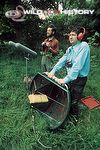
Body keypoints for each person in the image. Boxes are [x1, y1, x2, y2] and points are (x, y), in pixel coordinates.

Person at [47, 27, 90, 117]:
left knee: (74, 101)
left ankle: (75, 119)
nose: (70, 37)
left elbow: (77, 66)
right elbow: (62, 60)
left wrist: (65, 79)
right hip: (70, 77)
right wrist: (53, 71)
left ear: (80, 36)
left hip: (79, 79)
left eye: (73, 35)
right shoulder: (70, 49)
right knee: (68, 96)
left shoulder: (84, 46)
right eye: (69, 35)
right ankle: (67, 112)